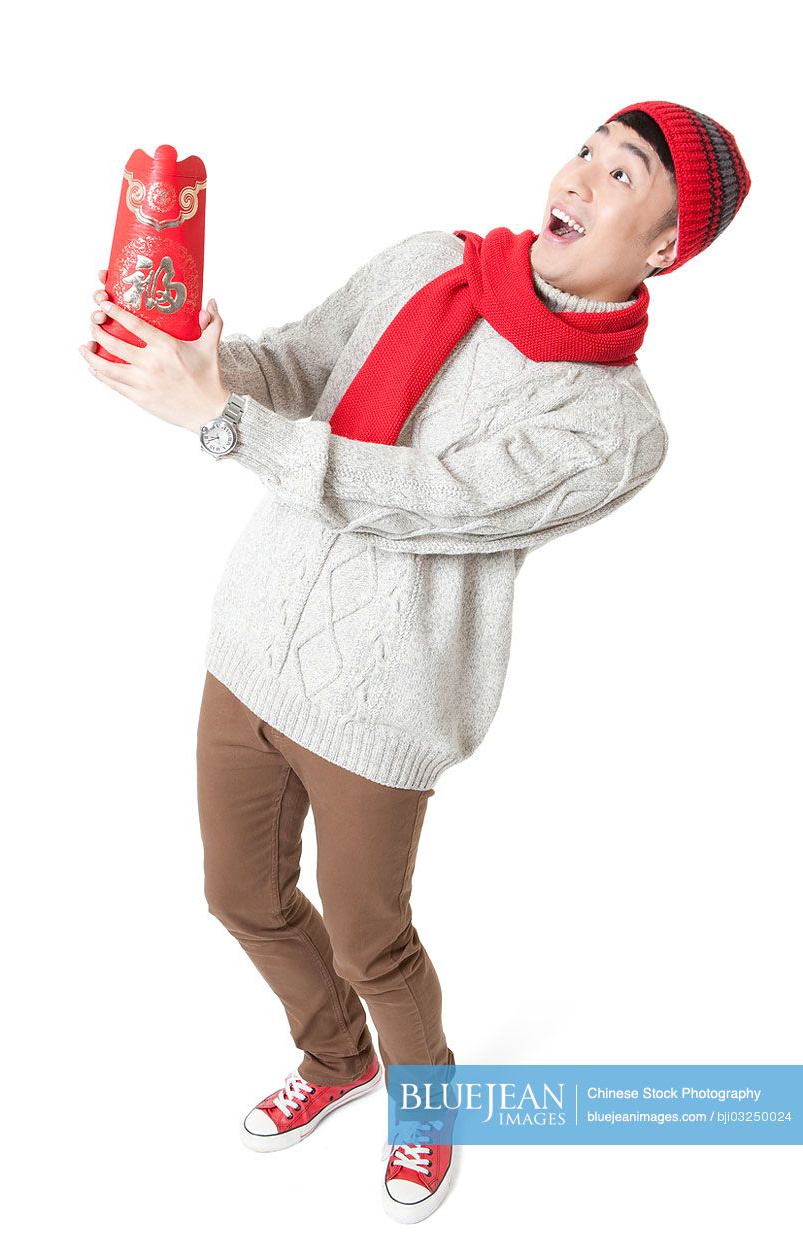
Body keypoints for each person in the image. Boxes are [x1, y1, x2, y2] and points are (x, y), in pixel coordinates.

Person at [80, 100, 751, 1224]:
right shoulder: (427, 262)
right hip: (248, 646)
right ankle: (336, 1062)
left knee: (367, 936)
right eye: (584, 147)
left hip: (382, 702)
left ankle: (429, 1103)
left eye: (622, 174)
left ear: (666, 244)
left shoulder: (615, 426)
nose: (580, 174)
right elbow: (295, 367)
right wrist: (198, 361)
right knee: (237, 894)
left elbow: (431, 503)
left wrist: (223, 424)